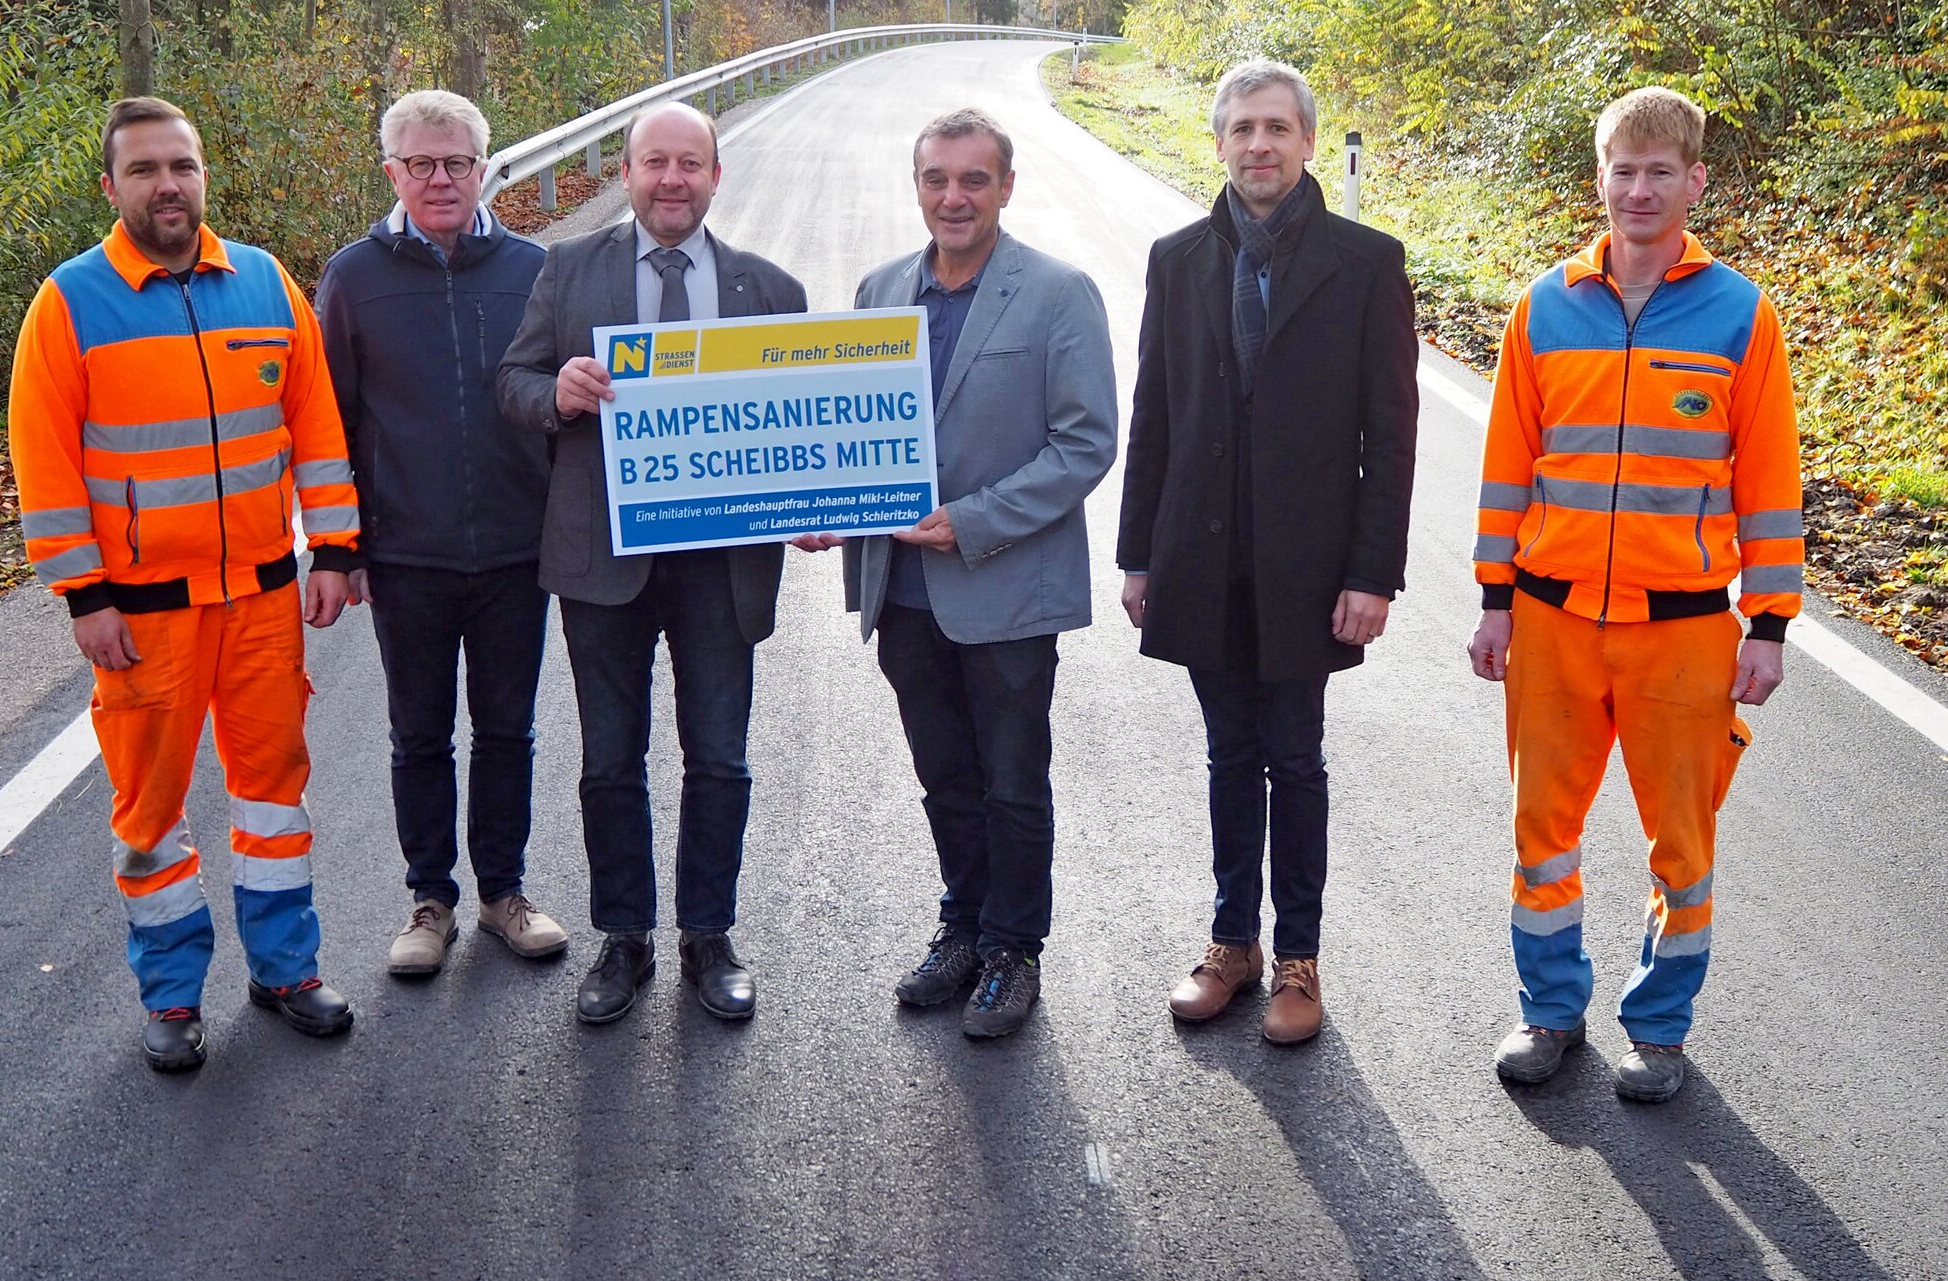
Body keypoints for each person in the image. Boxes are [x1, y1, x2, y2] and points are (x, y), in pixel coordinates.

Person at [8, 97, 363, 1073]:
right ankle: (171, 996)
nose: (169, 184)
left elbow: (317, 427)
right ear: (112, 188)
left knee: (273, 799)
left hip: (259, 599)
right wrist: (83, 593)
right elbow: (42, 463)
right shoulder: (70, 303)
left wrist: (332, 548)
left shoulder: (262, 282)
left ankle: (285, 971)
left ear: (204, 175)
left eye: (183, 165)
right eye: (146, 169)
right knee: (153, 817)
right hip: (142, 616)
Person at [1467, 85, 1803, 1103]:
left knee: (1682, 848)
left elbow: (1769, 485)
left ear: (1694, 182)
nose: (1639, 188)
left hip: (1685, 631)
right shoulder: (1542, 306)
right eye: (1623, 169)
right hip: (1551, 616)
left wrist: (1770, 623)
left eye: (1661, 171)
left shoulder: (1741, 315)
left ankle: (1656, 1031)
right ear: (1598, 178)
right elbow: (1502, 468)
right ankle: (1546, 1011)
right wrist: (1492, 599)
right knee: (1541, 836)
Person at [1116, 59, 1418, 1046]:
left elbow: (1391, 433)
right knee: (1225, 753)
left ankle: (1297, 960)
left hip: (1306, 565)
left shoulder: (1365, 263)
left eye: (1276, 128)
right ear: (1217, 142)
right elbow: (1152, 414)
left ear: (1305, 141)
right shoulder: (1175, 257)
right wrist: (1136, 556)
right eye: (1241, 128)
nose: (1258, 145)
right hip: (1200, 558)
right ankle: (1227, 945)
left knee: (1294, 757)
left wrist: (1371, 574)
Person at [806, 106, 1117, 1040]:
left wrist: (971, 521)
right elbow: (848, 434)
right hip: (900, 591)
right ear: (918, 187)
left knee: (1013, 779)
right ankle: (964, 925)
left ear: (1006, 188)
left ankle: (1015, 948)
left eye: (974, 180)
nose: (954, 197)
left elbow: (1085, 443)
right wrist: (819, 503)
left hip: (1008, 585)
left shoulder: (1059, 294)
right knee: (943, 773)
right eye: (937, 179)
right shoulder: (878, 288)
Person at [496, 101, 806, 1026]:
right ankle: (622, 936)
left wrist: (815, 502)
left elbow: (804, 429)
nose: (673, 180)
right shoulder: (568, 270)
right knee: (608, 762)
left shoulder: (770, 290)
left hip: (721, 566)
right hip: (604, 562)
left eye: (691, 164)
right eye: (655, 163)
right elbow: (512, 385)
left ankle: (709, 935)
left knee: (719, 759)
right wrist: (556, 391)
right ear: (626, 176)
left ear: (716, 177)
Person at [315, 89, 567, 979]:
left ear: (484, 168)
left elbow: (567, 403)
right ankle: (432, 899)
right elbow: (328, 424)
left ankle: (504, 891)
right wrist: (340, 550)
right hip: (407, 554)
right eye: (419, 163)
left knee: (509, 730)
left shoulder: (536, 267)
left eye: (456, 161)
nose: (439, 178)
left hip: (515, 549)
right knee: (418, 734)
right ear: (392, 172)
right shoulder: (353, 277)